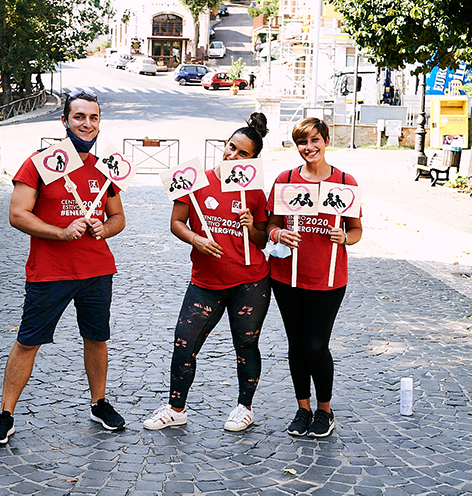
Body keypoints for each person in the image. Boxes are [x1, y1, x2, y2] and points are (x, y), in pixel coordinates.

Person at [0, 91, 127, 445]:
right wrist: (61, 233)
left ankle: (99, 402)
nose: (87, 124)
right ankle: (5, 414)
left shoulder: (104, 167)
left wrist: (104, 229)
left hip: (96, 270)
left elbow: (119, 217)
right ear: (64, 121)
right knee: (28, 342)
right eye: (79, 117)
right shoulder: (39, 163)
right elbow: (17, 214)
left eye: (93, 117)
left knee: (96, 338)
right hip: (49, 272)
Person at [143, 113, 271, 432]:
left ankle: (244, 407)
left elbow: (263, 239)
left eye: (243, 153)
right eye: (231, 147)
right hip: (206, 281)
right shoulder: (195, 180)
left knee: (246, 345)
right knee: (184, 343)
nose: (233, 155)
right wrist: (196, 239)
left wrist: (251, 226)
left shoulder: (254, 191)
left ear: (253, 159)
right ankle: (176, 408)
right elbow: (176, 223)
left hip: (250, 281)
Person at [265, 117, 363, 438]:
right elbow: (270, 225)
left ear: (326, 140)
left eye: (315, 140)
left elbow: (357, 230)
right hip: (286, 277)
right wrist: (279, 233)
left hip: (328, 277)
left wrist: (344, 237)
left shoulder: (345, 182)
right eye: (302, 142)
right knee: (296, 344)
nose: (309, 148)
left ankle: (325, 410)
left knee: (316, 345)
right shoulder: (286, 179)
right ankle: (303, 408)